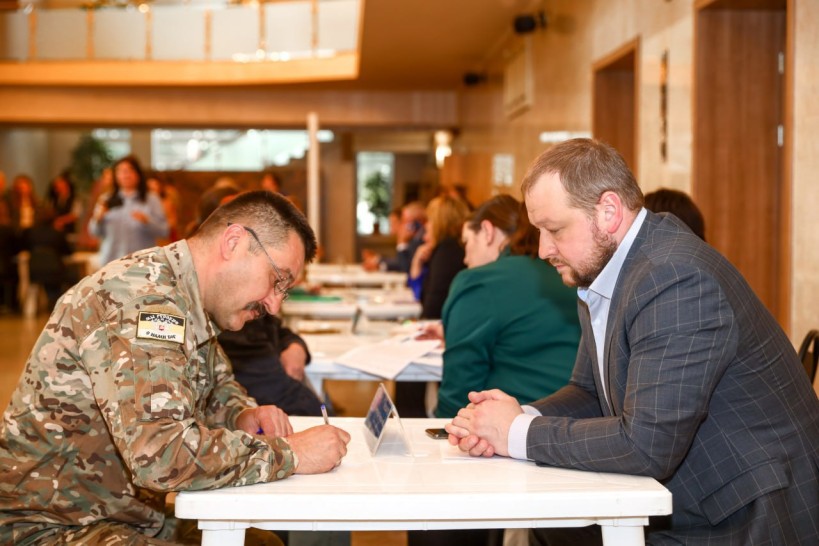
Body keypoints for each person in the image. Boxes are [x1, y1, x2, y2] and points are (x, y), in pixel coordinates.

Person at [446, 138, 819, 545]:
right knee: (552, 526)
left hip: (745, 517)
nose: (542, 250)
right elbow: (589, 391)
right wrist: (517, 416)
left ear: (608, 211)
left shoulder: (673, 277)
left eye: (554, 230)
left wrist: (516, 433)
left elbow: (647, 446)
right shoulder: (606, 268)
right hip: (696, 495)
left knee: (556, 528)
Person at [0, 190, 351, 545]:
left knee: (264, 544)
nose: (274, 305)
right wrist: (292, 455)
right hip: (50, 527)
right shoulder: (147, 303)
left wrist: (241, 414)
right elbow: (160, 456)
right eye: (277, 280)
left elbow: (214, 385)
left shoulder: (186, 293)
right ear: (234, 242)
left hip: (121, 512)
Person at [433, 194, 581, 418]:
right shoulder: (569, 274)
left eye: (467, 242)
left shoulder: (479, 282)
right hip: (580, 419)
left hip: (513, 423)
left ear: (487, 231)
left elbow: (459, 390)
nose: (465, 258)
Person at [398, 194, 470, 418]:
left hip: (445, 331)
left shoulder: (447, 251)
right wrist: (417, 265)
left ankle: (411, 423)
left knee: (404, 368)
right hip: (447, 327)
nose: (426, 226)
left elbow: (431, 304)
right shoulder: (445, 249)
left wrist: (418, 329)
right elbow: (423, 297)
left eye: (429, 220)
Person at [89, 155, 169, 266]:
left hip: (142, 264)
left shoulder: (151, 199)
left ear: (138, 174)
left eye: (129, 170)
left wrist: (147, 222)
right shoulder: (106, 199)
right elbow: (94, 232)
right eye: (121, 171)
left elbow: (164, 231)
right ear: (115, 176)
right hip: (111, 262)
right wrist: (97, 219)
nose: (125, 175)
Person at [362, 201, 427, 274]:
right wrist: (378, 261)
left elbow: (405, 267)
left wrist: (402, 242)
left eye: (405, 221)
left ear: (418, 223)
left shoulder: (420, 239)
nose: (403, 225)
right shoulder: (414, 239)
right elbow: (399, 262)